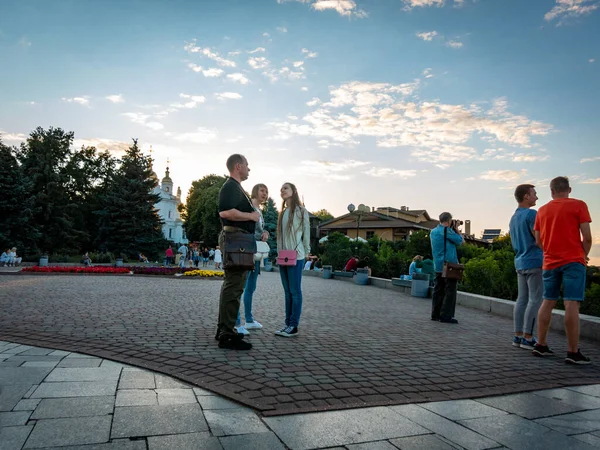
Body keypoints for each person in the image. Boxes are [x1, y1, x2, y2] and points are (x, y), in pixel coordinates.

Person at [533, 176, 593, 364]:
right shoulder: (579, 205)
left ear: (551, 191)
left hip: (550, 262)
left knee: (548, 302)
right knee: (571, 304)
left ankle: (541, 345)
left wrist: (550, 252)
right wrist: (583, 255)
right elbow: (588, 237)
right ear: (569, 189)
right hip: (573, 261)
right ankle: (572, 352)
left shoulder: (542, 211)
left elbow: (538, 240)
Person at [215, 154, 260, 350]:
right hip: (236, 240)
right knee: (234, 286)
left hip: (238, 240)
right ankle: (227, 334)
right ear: (238, 166)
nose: (249, 169)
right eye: (247, 165)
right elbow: (225, 212)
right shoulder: (231, 187)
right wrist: (251, 215)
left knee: (232, 286)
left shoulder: (235, 187)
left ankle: (224, 330)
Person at [509, 184, 543, 350]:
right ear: (526, 197)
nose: (536, 197)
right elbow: (539, 239)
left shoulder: (514, 217)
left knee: (521, 299)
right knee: (535, 300)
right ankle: (529, 337)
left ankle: (518, 336)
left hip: (520, 262)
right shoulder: (532, 214)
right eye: (534, 194)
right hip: (535, 261)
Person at [275, 182, 311, 338]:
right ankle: (287, 323)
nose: (282, 190)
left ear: (294, 191)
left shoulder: (301, 211)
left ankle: (293, 325)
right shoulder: (282, 213)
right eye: (281, 188)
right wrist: (278, 253)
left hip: (297, 256)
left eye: (285, 188)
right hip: (283, 256)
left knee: (295, 291)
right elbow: (279, 237)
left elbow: (306, 234)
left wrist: (306, 251)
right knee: (287, 292)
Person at [235, 183, 270, 336]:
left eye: (267, 191)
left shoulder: (260, 212)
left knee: (251, 287)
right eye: (262, 190)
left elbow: (259, 230)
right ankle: (236, 323)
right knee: (240, 287)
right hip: (247, 251)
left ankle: (249, 320)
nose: (265, 193)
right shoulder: (248, 208)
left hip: (257, 253)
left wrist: (265, 233)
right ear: (255, 191)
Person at [430, 212, 464, 324]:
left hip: (438, 265)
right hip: (449, 266)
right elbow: (460, 241)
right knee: (450, 291)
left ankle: (435, 314)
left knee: (438, 290)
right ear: (449, 221)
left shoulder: (433, 232)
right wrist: (457, 229)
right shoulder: (447, 231)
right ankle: (446, 316)